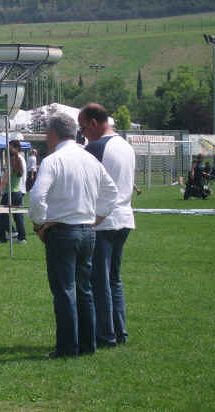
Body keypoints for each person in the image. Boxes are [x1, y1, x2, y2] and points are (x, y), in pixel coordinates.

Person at [29, 113, 118, 358]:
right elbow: (112, 191)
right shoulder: (89, 159)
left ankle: (68, 347)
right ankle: (87, 345)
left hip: (62, 231)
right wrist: (97, 217)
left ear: (54, 134)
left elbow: (37, 198)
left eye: (47, 133)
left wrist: (39, 224)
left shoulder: (53, 160)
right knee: (84, 290)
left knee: (64, 291)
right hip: (87, 231)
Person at [80, 102, 136, 347]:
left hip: (103, 221)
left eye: (84, 128)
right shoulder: (125, 145)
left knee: (99, 281)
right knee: (114, 279)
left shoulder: (95, 147)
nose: (83, 134)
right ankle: (119, 331)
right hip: (124, 218)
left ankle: (105, 335)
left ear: (94, 123)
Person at [0, 140, 27, 244]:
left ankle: (12, 231)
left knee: (2, 214)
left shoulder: (12, 162)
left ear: (16, 148)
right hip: (17, 192)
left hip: (10, 193)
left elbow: (5, 179)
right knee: (17, 216)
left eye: (10, 147)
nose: (7, 149)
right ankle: (21, 237)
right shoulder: (19, 160)